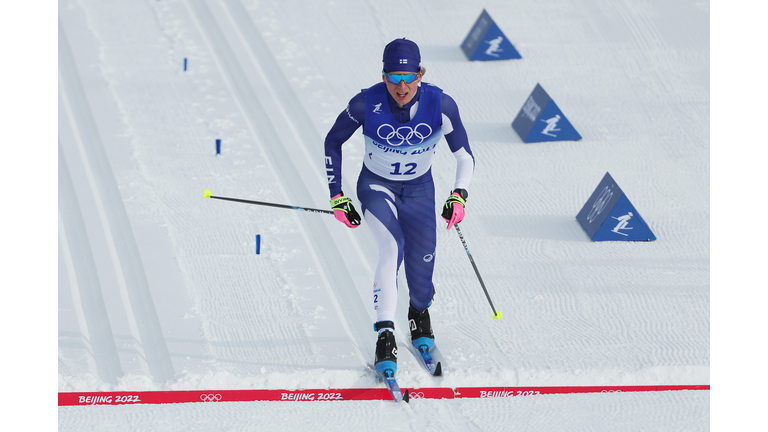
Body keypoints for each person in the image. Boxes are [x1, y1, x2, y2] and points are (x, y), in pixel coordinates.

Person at [323, 38, 475, 375]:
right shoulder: (365, 104)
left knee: (422, 269)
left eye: (409, 77)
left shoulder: (442, 104)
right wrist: (337, 195)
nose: (401, 86)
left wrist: (459, 195)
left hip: (420, 189)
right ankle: (385, 334)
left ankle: (419, 314)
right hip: (376, 186)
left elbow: (464, 155)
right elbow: (333, 140)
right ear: (383, 77)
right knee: (392, 248)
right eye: (393, 78)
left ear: (421, 74)